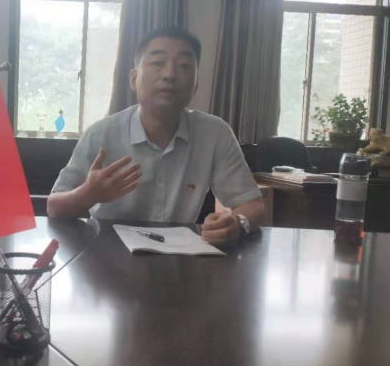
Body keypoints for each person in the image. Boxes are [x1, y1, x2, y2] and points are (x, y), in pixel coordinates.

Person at [48, 27, 265, 246]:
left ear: (196, 84)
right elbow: (54, 206)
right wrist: (87, 194)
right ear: (134, 79)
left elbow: (253, 205)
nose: (170, 74)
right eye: (157, 63)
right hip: (108, 254)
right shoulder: (100, 135)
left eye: (184, 66)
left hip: (181, 256)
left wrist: (237, 223)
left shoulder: (214, 133)